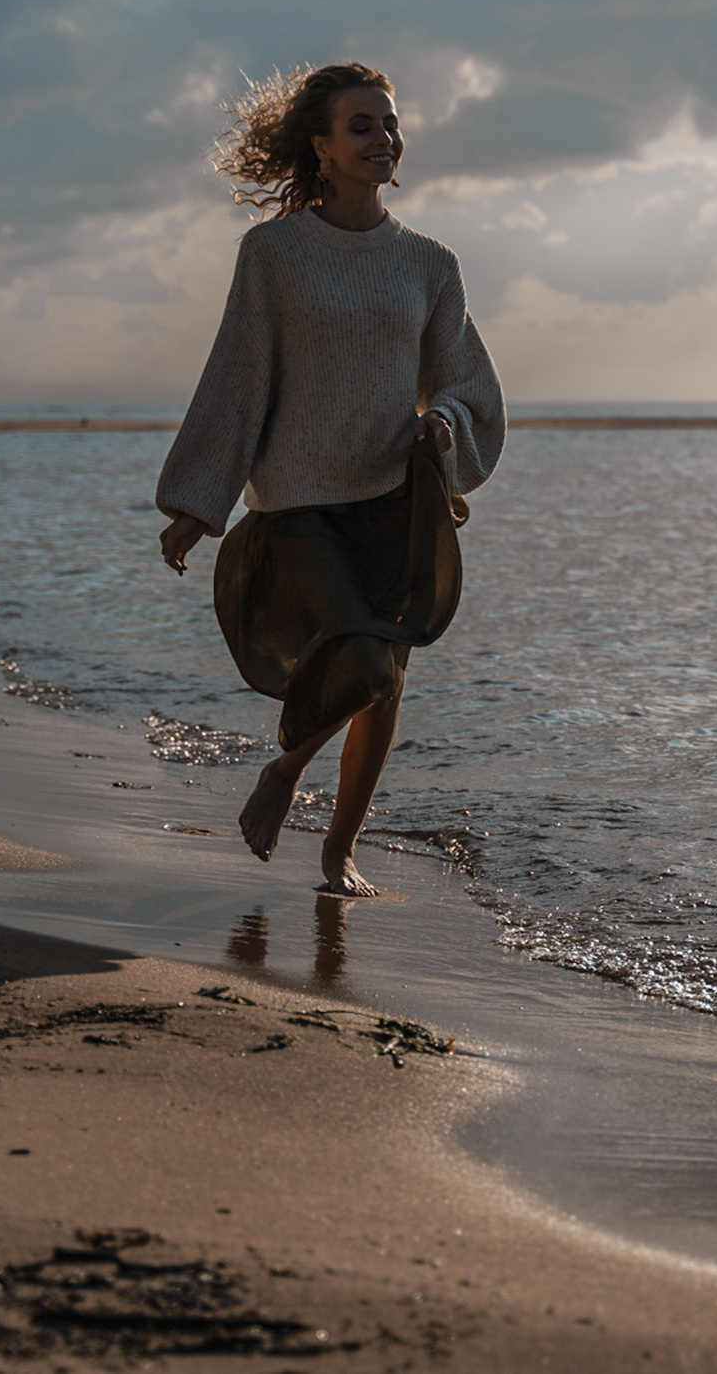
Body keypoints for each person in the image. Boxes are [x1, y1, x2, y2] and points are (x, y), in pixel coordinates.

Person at [155, 62, 504, 896]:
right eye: (362, 126)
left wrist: (445, 422)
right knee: (366, 665)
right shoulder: (272, 253)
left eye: (389, 124)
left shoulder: (429, 263)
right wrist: (199, 506)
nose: (383, 139)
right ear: (321, 147)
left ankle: (337, 851)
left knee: (385, 683)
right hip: (299, 500)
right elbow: (240, 373)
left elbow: (466, 380)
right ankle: (286, 775)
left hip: (393, 498)